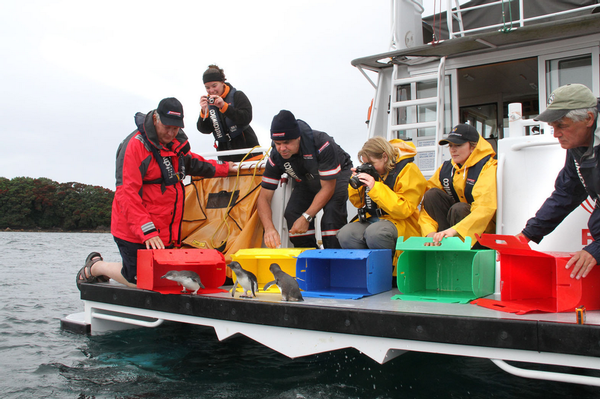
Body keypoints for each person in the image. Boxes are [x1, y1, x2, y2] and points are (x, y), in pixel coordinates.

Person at [77, 97, 234, 288]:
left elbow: (193, 163)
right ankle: (96, 267)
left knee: (163, 278)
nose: (170, 133)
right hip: (134, 230)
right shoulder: (134, 146)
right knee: (139, 280)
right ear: (156, 119)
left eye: (175, 128)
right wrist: (148, 231)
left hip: (164, 231)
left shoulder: (174, 144)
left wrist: (225, 168)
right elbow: (127, 193)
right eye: (167, 127)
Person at [517, 83, 600, 280]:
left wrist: (597, 249)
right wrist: (527, 234)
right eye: (553, 127)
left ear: (589, 119)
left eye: (562, 125)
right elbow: (567, 192)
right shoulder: (578, 145)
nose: (555, 134)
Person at [257, 110, 353, 249]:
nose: (282, 148)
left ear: (298, 138)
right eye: (277, 143)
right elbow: (264, 197)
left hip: (336, 176)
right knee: (292, 214)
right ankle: (310, 260)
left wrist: (306, 217)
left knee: (331, 215)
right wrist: (269, 228)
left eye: (287, 142)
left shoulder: (322, 143)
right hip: (306, 178)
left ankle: (335, 262)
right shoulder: (275, 156)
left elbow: (327, 188)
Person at [337, 137, 427, 251]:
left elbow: (404, 209)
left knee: (375, 233)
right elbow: (358, 203)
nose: (368, 167)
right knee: (346, 234)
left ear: (384, 157)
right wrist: (357, 182)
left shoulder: (408, 170)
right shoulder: (373, 171)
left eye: (371, 163)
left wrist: (375, 187)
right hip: (373, 219)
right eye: (365, 163)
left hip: (400, 222)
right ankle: (364, 267)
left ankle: (388, 267)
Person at [419, 124, 497, 247]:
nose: (452, 150)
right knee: (431, 194)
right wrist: (429, 232)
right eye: (450, 145)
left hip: (479, 233)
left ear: (473, 147)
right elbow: (427, 207)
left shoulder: (487, 167)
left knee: (459, 209)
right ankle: (441, 243)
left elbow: (485, 208)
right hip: (450, 229)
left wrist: (456, 230)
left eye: (458, 145)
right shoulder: (445, 169)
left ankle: (458, 248)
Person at [197, 64, 261, 161]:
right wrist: (203, 112)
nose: (211, 91)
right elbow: (204, 129)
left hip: (248, 153)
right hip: (225, 155)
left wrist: (224, 107)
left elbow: (246, 117)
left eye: (214, 86)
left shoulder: (237, 95)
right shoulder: (208, 104)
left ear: (222, 82)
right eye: (207, 87)